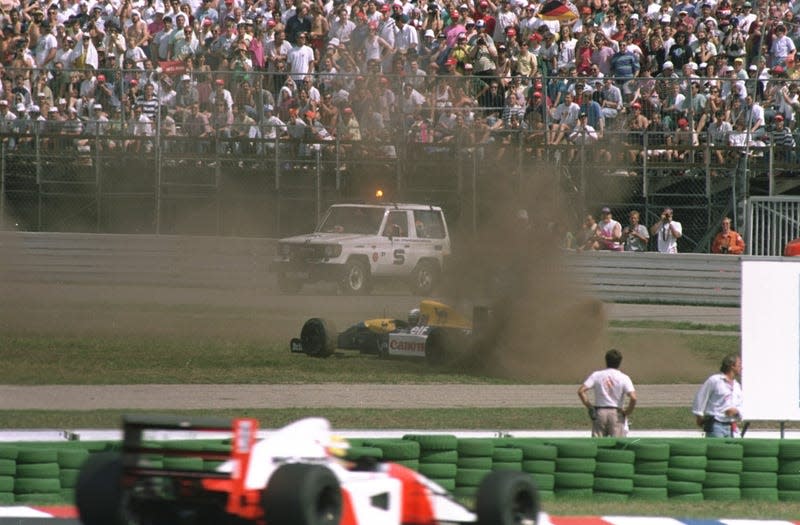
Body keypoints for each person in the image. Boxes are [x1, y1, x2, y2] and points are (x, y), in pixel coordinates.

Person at [577, 349, 637, 437]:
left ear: (606, 360)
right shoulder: (624, 378)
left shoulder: (596, 375)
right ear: (620, 362)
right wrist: (627, 412)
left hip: (600, 413)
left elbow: (581, 391)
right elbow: (633, 397)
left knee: (598, 445)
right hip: (616, 414)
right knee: (617, 445)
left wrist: (590, 407)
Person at [692, 354, 743, 438]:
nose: (741, 368)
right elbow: (701, 397)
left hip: (730, 426)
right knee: (718, 449)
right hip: (716, 425)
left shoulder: (737, 386)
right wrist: (699, 416)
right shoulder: (715, 380)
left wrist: (737, 412)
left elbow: (740, 404)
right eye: (739, 365)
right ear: (732, 366)